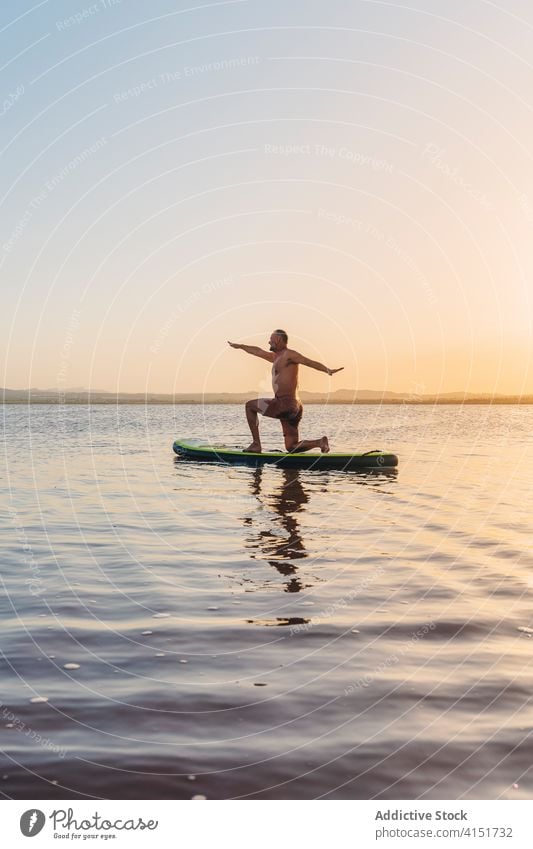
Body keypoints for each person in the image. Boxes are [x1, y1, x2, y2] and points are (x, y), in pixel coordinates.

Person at [227, 329, 343, 453]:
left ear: (278, 340)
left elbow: (308, 362)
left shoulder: (289, 355)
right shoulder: (275, 357)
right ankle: (319, 442)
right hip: (295, 407)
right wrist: (240, 346)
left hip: (285, 404)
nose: (269, 342)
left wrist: (327, 370)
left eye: (271, 340)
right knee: (291, 447)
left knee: (250, 406)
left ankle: (256, 445)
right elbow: (257, 351)